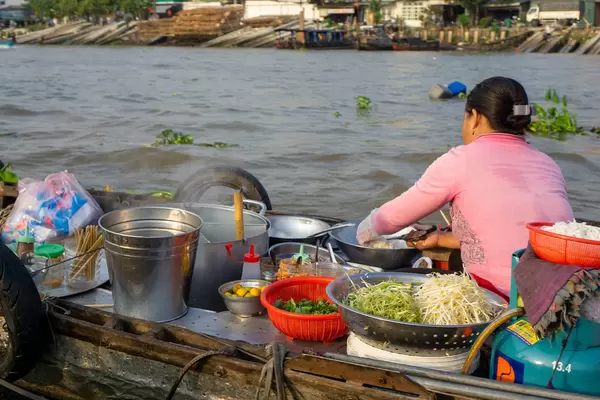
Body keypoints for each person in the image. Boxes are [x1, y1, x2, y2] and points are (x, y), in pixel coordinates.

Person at [356, 77, 573, 297]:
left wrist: (362, 232)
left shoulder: (460, 160)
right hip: (560, 291)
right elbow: (510, 231)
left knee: (380, 287)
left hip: (505, 296)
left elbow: (390, 219)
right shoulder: (548, 163)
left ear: (475, 117)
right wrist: (441, 239)